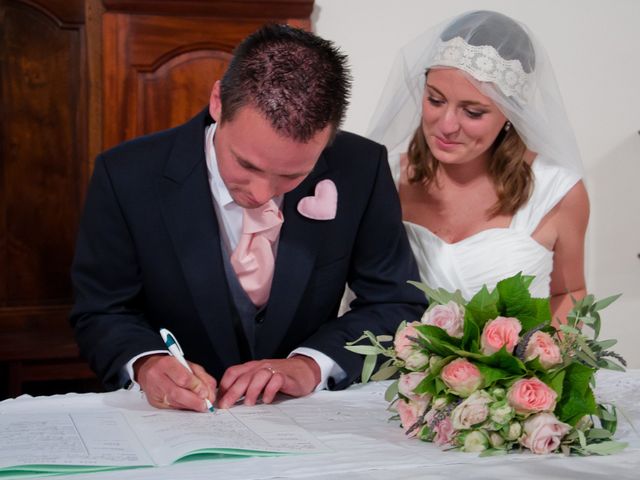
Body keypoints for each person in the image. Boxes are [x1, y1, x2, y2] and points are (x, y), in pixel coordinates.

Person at [70, 24, 425, 412]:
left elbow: (395, 304)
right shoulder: (125, 175)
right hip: (175, 421)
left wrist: (310, 365)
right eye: (246, 164)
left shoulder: (362, 168)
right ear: (219, 101)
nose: (260, 193)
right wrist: (146, 363)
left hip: (304, 418)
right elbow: (102, 311)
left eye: (291, 176)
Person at [367, 10, 588, 323]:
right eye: (435, 99)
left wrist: (539, 362)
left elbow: (570, 292)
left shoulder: (559, 191)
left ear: (511, 112)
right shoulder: (383, 178)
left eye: (472, 112)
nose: (446, 125)